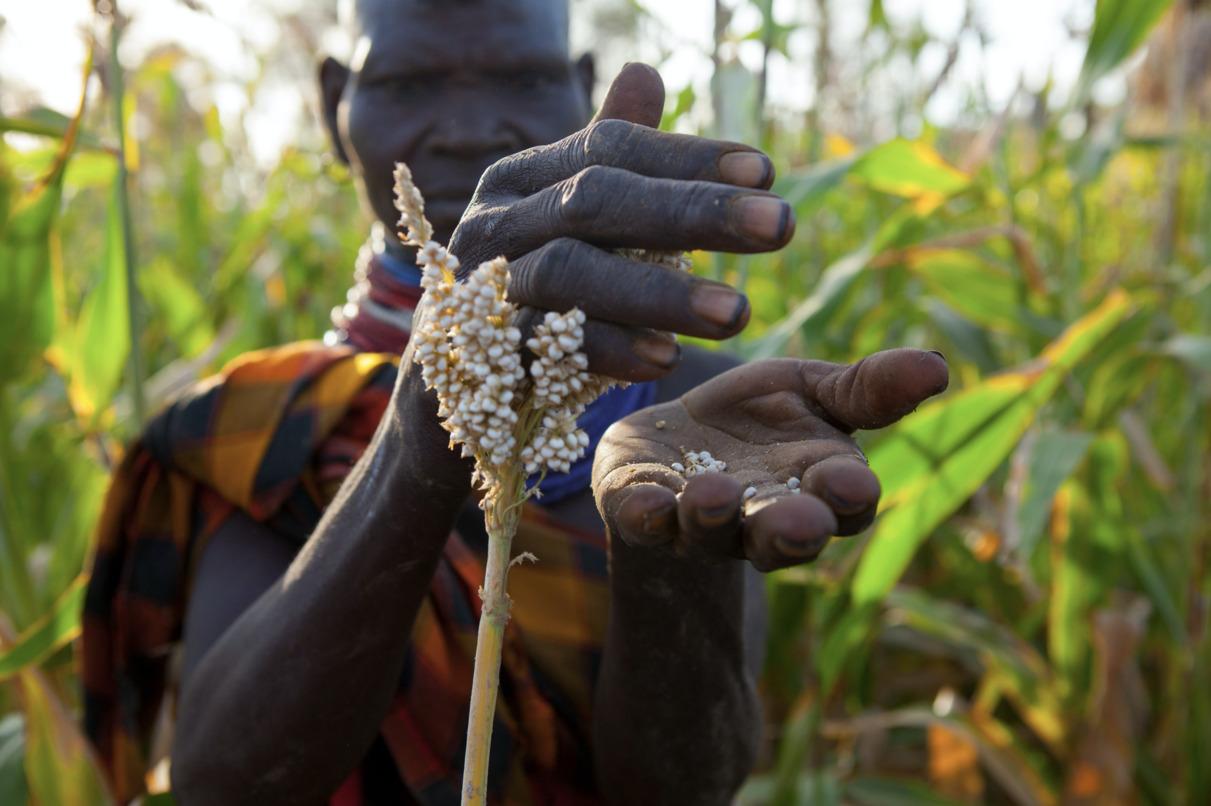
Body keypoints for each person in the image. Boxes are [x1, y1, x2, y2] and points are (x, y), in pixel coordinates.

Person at [80, 0, 949, 803]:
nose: (469, 133)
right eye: (411, 83)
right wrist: (425, 435)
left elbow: (681, 788)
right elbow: (223, 783)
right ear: (334, 103)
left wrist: (668, 559)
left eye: (525, 81)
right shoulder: (272, 424)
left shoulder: (696, 411)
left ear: (581, 90)